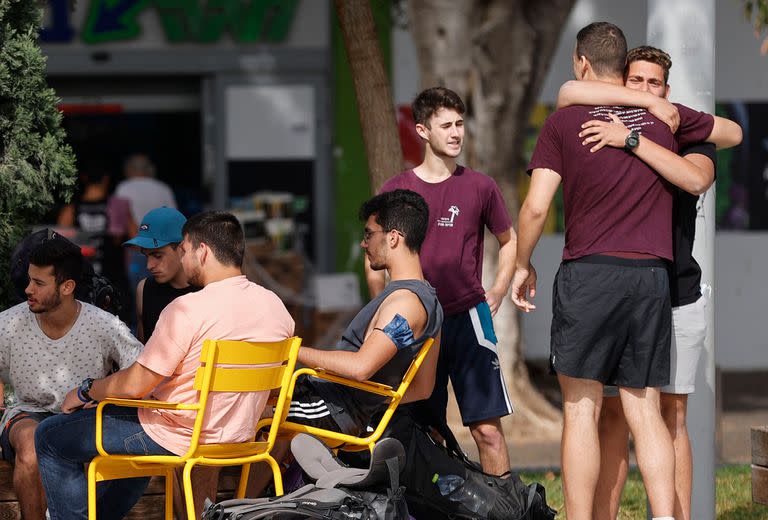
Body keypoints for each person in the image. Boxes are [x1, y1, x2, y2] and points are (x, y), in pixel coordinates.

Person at [511, 22, 716, 520]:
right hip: (652, 279)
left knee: (582, 411)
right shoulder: (667, 122)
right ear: (623, 69)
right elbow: (726, 132)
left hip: (589, 275)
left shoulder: (564, 124)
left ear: (582, 63)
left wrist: (522, 264)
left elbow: (536, 208)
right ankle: (665, 516)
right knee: (646, 411)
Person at [556, 45, 742, 520]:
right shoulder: (602, 119)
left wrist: (638, 136)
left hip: (675, 290)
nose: (642, 90)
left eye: (653, 84)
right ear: (619, 83)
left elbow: (717, 154)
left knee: (669, 415)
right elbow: (569, 90)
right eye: (633, 81)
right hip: (634, 290)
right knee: (616, 414)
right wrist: (637, 114)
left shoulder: (678, 128)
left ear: (667, 89)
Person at [34, 211, 295, 520]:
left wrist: (88, 390)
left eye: (183, 251)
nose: (183, 261)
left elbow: (135, 385)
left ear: (203, 251)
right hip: (239, 437)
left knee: (50, 435)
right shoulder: (276, 307)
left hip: (177, 434)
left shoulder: (187, 308)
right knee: (127, 451)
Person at [368, 87, 516, 477]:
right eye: (446, 125)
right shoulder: (396, 190)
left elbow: (509, 240)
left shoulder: (480, 186)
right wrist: (382, 314)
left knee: (488, 432)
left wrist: (499, 289)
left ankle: (505, 505)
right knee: (424, 431)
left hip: (468, 318)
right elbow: (373, 261)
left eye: (460, 124)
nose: (456, 133)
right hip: (417, 325)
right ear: (422, 130)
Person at [0, 237, 142, 520]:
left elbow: (141, 370)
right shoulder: (8, 323)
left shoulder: (104, 324)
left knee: (134, 458)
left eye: (39, 283)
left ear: (67, 287)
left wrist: (102, 396)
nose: (27, 289)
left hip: (84, 417)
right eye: (29, 280)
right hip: (29, 413)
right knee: (32, 443)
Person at [288, 189, 443, 435]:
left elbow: (361, 367)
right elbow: (423, 388)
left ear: (393, 238)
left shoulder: (405, 304)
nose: (363, 243)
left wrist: (293, 350)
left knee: (241, 416)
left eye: (369, 234)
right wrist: (370, 405)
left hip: (331, 407)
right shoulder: (429, 301)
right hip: (337, 406)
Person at [123, 206, 197, 343]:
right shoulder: (144, 289)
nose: (149, 266)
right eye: (146, 256)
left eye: (157, 256)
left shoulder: (208, 289)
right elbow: (143, 353)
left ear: (183, 249)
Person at [115, 154, 177, 303]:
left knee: (138, 294)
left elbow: (118, 223)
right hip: (161, 249)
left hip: (135, 249)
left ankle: (140, 323)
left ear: (129, 170)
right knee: (160, 294)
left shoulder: (123, 188)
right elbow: (173, 220)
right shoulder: (163, 189)